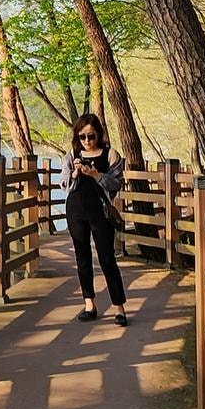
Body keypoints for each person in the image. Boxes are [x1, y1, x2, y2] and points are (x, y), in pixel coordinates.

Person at [62, 113, 127, 325]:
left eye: (91, 136)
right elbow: (64, 185)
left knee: (107, 258)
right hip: (76, 211)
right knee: (82, 257)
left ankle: (119, 307)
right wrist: (74, 175)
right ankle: (89, 303)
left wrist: (96, 175)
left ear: (98, 134)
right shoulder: (72, 155)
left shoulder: (111, 155)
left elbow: (116, 184)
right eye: (82, 136)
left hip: (100, 212)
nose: (87, 141)